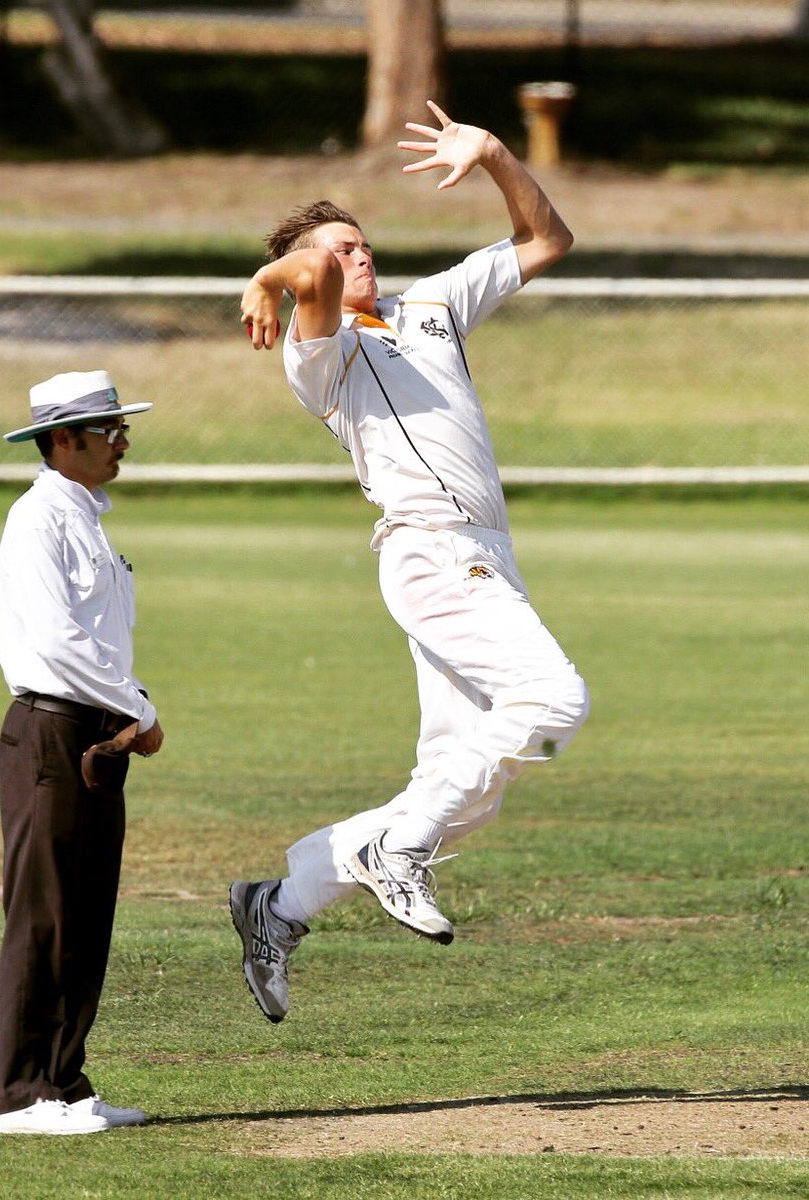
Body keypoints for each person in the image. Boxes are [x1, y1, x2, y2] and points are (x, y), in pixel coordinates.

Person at [231, 102, 589, 1022]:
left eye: (362, 244)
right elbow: (306, 274)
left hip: (488, 555)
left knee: (461, 792)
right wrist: (273, 273)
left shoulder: (432, 304)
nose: (358, 257)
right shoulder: (323, 353)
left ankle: (282, 902)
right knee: (554, 701)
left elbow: (547, 239)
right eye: (341, 249)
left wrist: (499, 155)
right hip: (429, 549)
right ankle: (399, 852)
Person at [0, 369, 165, 1134]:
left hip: (95, 732)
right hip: (51, 731)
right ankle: (22, 1094)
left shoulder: (87, 518)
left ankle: (65, 1081)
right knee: (43, 912)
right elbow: (59, 642)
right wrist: (142, 708)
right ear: (64, 441)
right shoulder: (39, 520)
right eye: (110, 429)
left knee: (88, 910)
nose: (122, 441)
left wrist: (125, 709)